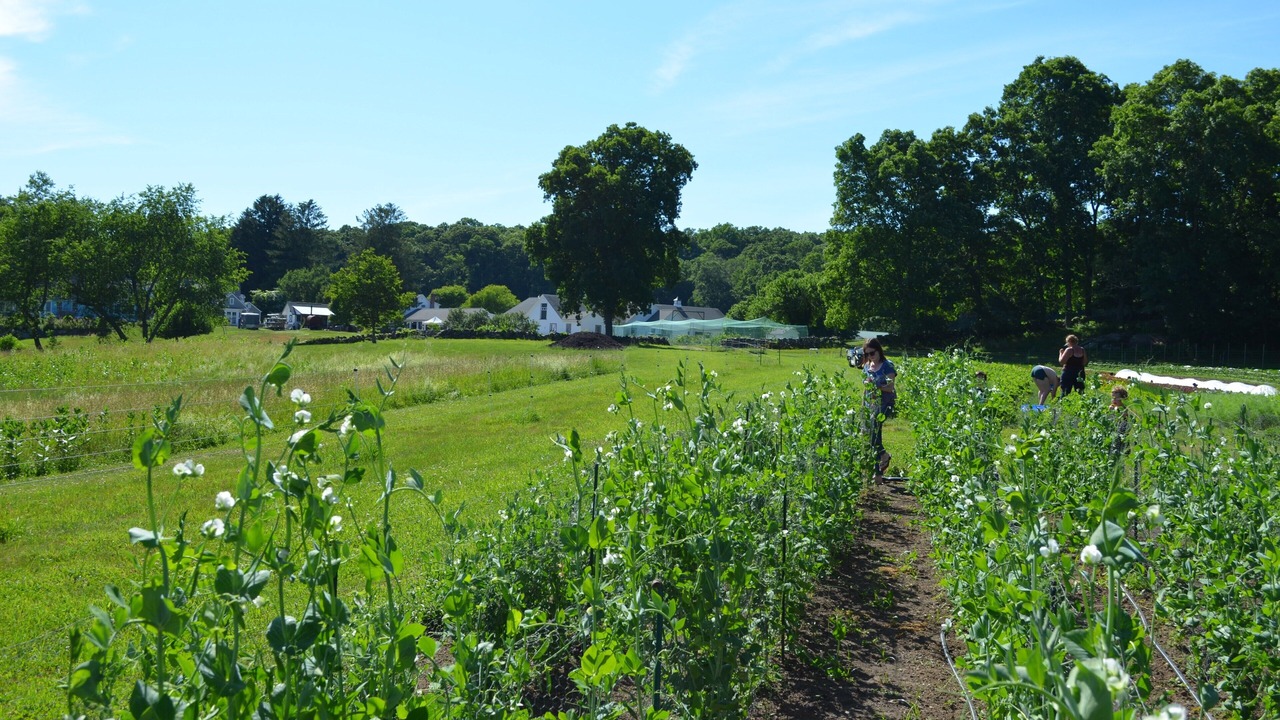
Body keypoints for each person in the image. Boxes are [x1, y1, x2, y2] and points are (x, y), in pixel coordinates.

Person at [857, 338, 896, 478]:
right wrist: (863, 407)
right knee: (871, 435)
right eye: (866, 354)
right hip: (870, 404)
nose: (869, 357)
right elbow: (865, 391)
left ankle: (880, 466)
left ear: (879, 351)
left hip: (885, 403)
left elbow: (890, 387)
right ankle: (880, 466)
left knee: (874, 431)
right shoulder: (867, 367)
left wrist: (876, 387)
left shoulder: (887, 366)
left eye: (872, 353)